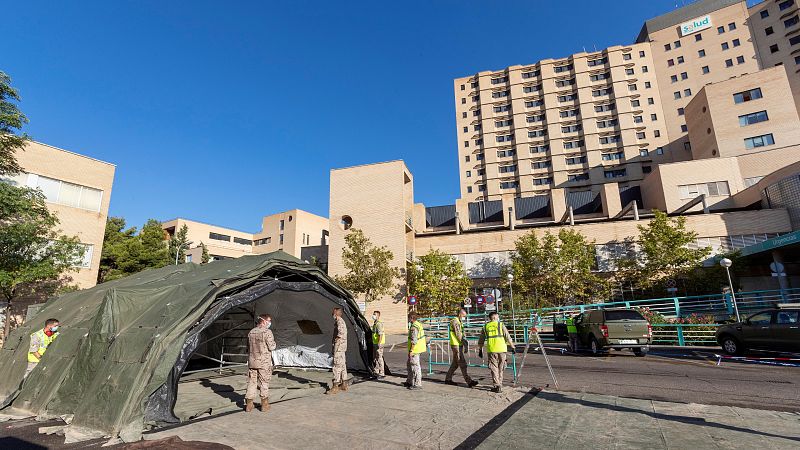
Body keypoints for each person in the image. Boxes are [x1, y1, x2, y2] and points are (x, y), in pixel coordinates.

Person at [245, 314, 276, 412]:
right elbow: (272, 347)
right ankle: (264, 404)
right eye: (269, 321)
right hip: (264, 362)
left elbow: (247, 348)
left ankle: (249, 405)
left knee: (252, 382)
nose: (270, 323)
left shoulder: (251, 332)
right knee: (264, 382)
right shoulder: (267, 332)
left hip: (252, 361)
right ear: (263, 321)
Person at [478, 312, 515, 393]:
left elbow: (481, 340)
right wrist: (512, 346)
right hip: (502, 349)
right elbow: (507, 336)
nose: (498, 318)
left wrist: (480, 350)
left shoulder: (485, 326)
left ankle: (497, 385)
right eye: (498, 317)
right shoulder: (501, 325)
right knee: (501, 367)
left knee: (494, 368)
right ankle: (500, 384)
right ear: (494, 317)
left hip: (492, 350)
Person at [445, 308, 478, 388]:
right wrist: (464, 343)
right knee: (462, 364)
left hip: (458, 344)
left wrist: (465, 344)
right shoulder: (455, 321)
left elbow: (462, 333)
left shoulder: (459, 321)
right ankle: (469, 381)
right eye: (464, 316)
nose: (464, 317)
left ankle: (448, 379)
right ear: (460, 314)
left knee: (455, 364)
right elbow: (458, 334)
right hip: (456, 345)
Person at [326, 307, 348, 395]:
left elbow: (341, 334)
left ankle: (335, 386)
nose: (332, 314)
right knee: (342, 365)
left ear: (336, 313)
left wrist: (336, 341)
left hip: (339, 347)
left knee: (336, 366)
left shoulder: (339, 321)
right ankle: (344, 384)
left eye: (333, 313)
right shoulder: (340, 321)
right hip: (342, 347)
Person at [404, 312, 426, 390]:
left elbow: (414, 340)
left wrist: (411, 351)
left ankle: (417, 384)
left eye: (409, 317)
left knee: (415, 366)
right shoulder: (417, 324)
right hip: (416, 349)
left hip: (415, 350)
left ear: (411, 318)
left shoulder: (414, 327)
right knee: (409, 365)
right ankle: (409, 381)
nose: (408, 319)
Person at [371, 310, 386, 379]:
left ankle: (382, 373)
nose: (373, 316)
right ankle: (377, 371)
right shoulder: (375, 323)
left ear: (378, 316)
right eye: (373, 314)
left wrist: (379, 343)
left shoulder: (378, 324)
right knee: (376, 358)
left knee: (379, 358)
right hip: (375, 343)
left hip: (378, 344)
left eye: (375, 314)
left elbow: (380, 334)